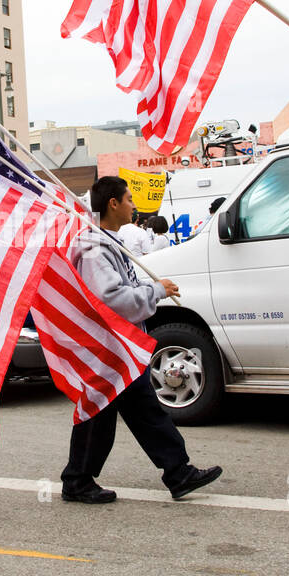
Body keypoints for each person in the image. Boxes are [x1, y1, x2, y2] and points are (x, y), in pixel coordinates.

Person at [61, 177, 222, 503]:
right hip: (107, 350)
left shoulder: (109, 244)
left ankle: (176, 472)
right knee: (103, 415)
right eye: (130, 199)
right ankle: (79, 479)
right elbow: (112, 300)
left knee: (134, 412)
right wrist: (157, 290)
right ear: (113, 204)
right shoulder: (95, 251)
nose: (135, 205)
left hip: (118, 348)